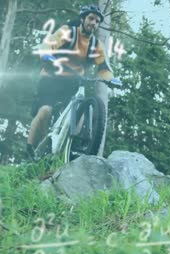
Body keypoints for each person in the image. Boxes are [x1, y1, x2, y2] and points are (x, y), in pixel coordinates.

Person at [27, 4, 113, 159]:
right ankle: (31, 148)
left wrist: (110, 79)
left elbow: (104, 67)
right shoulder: (68, 32)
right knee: (45, 111)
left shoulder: (96, 45)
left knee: (78, 115)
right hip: (52, 76)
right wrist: (46, 53)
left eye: (97, 21)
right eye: (91, 18)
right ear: (82, 19)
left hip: (73, 81)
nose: (94, 23)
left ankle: (66, 147)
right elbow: (49, 44)